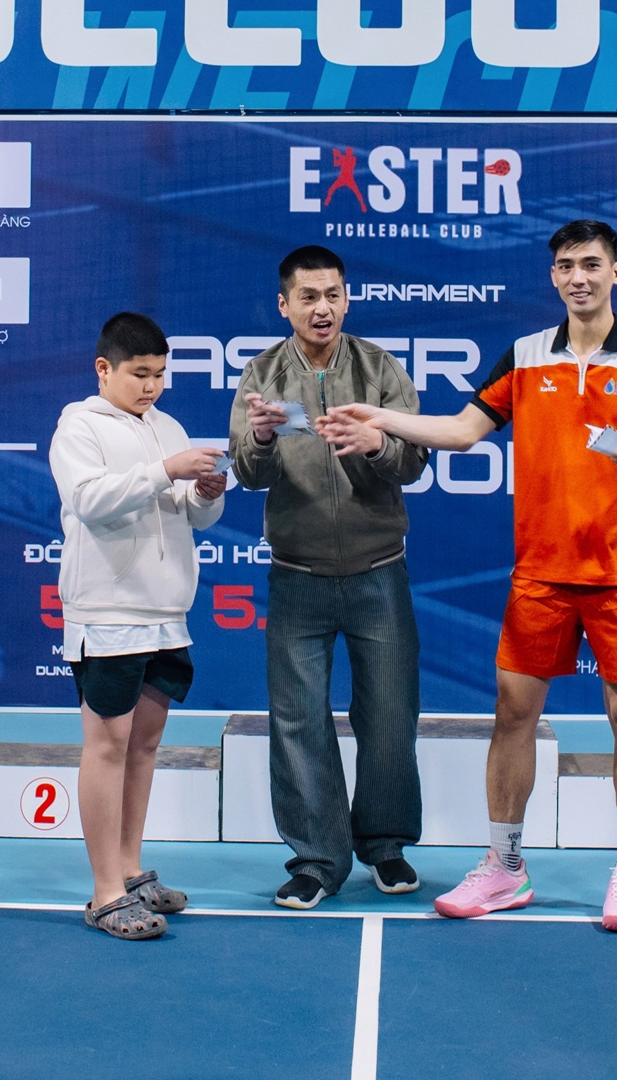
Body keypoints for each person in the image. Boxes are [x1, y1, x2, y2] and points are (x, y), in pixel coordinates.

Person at [319, 219, 617, 933]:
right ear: (553, 276)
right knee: (513, 713)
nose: (578, 277)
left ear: (616, 272)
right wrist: (384, 419)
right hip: (541, 573)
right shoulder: (525, 356)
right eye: (566, 265)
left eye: (591, 264)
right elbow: (464, 430)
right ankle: (504, 865)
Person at [231, 245, 428, 910]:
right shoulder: (261, 375)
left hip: (379, 573)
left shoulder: (380, 368)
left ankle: (386, 843)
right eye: (308, 297)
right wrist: (261, 440)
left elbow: (415, 462)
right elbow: (247, 471)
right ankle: (317, 860)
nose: (323, 308)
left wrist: (380, 445)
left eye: (333, 295)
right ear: (284, 304)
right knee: (298, 722)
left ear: (347, 299)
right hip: (297, 577)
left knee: (390, 716)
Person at [50, 311, 227, 939]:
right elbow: (88, 501)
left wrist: (205, 492)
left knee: (144, 747)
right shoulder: (78, 426)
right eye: (140, 374)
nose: (152, 386)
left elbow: (192, 517)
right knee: (107, 746)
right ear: (104, 369)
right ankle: (104, 894)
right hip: (108, 615)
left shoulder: (167, 427)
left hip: (166, 613)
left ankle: (129, 870)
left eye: (160, 374)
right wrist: (165, 471)